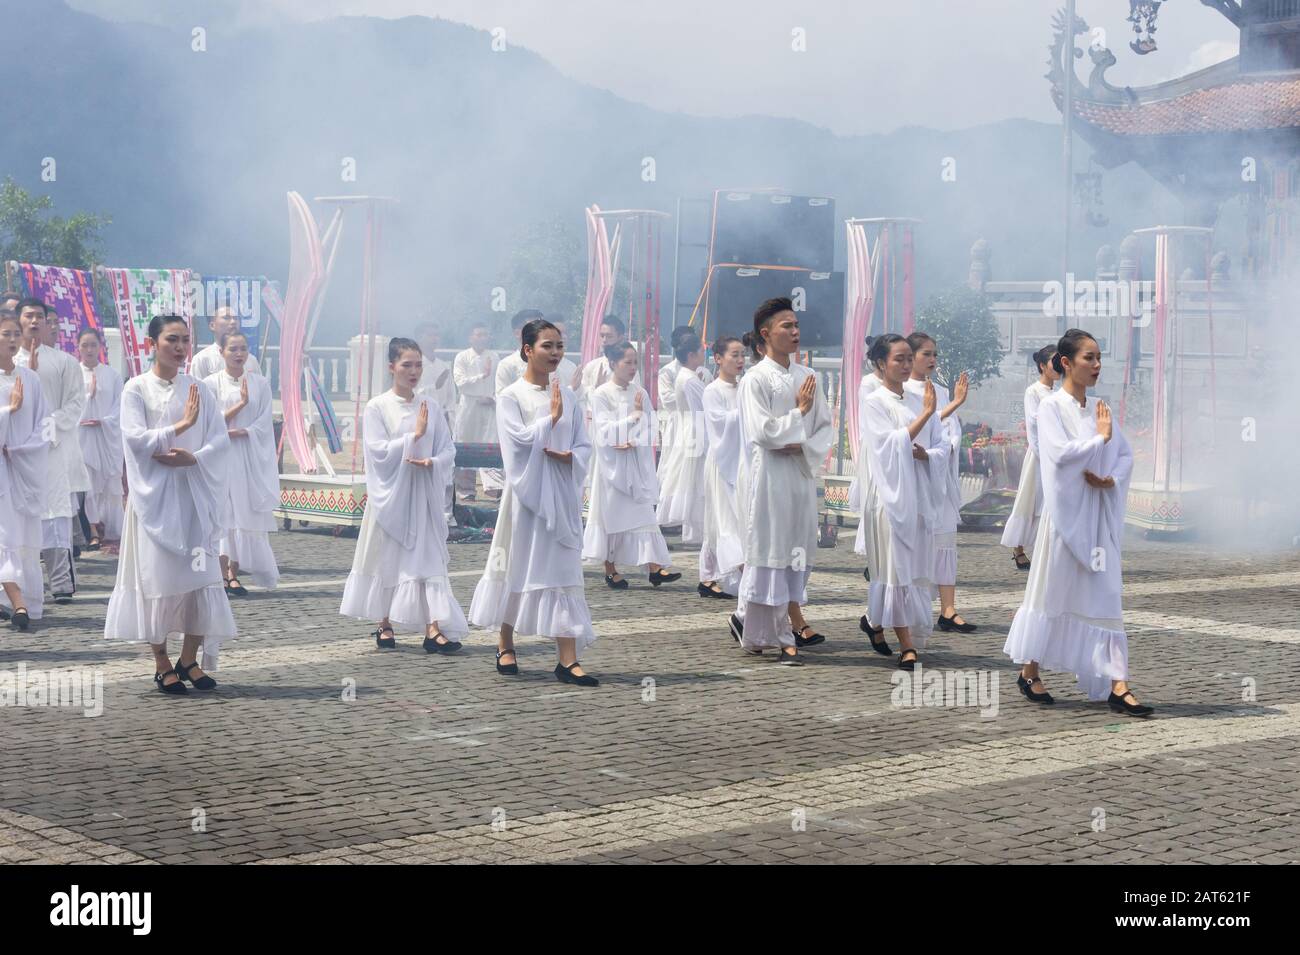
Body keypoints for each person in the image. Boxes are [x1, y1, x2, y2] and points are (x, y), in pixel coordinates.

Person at [1003, 329, 1150, 716]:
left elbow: (1125, 455)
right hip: (1065, 518)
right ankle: (1029, 669)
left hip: (1098, 516)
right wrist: (1097, 442)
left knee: (1107, 595)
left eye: (1099, 356)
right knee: (1053, 594)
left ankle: (1119, 683)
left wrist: (1111, 478)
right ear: (1066, 363)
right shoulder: (1051, 407)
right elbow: (1057, 456)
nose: (1097, 364)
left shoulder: (1101, 407)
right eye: (1089, 357)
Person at [104, 314, 233, 695]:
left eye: (184, 340)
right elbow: (136, 441)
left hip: (193, 496)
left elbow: (219, 440)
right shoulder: (136, 389)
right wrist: (178, 427)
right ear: (151, 344)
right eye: (171, 340)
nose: (180, 348)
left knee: (201, 578)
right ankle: (162, 661)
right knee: (156, 580)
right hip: (154, 502)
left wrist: (193, 458)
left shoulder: (198, 388)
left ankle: (189, 658)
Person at [469, 319, 598, 686]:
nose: (555, 353)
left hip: (561, 490)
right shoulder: (511, 396)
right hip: (526, 496)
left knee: (563, 569)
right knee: (518, 567)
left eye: (559, 346)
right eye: (547, 346)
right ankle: (505, 641)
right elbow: (517, 443)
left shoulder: (569, 395)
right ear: (527, 349)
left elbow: (584, 444)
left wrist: (569, 455)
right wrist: (549, 420)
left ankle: (567, 658)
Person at [341, 337, 467, 653]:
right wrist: (414, 436)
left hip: (422, 492)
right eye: (406, 365)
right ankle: (384, 623)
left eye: (418, 365)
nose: (413, 371)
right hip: (390, 496)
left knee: (427, 558)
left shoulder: (431, 405)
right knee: (387, 558)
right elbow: (377, 452)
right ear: (391, 367)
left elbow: (448, 448)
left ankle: (433, 627)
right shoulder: (377, 406)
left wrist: (432, 461)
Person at [731, 298, 833, 664]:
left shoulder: (809, 377)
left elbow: (824, 427)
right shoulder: (754, 380)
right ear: (765, 333)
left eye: (796, 325)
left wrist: (802, 443)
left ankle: (756, 626)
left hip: (799, 473)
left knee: (796, 548)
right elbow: (761, 431)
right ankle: (779, 633)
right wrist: (798, 415)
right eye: (786, 326)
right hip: (769, 475)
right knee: (770, 549)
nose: (794, 332)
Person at [862, 334, 940, 670]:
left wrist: (930, 454)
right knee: (894, 568)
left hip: (918, 492)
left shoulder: (915, 399)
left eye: (910, 358)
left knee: (913, 566)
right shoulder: (875, 401)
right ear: (881, 364)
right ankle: (906, 644)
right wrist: (925, 415)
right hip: (890, 497)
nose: (907, 365)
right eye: (899, 359)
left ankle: (875, 621)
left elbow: (939, 443)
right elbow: (887, 445)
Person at [583, 340, 681, 589]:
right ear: (613, 363)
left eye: (635, 362)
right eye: (627, 362)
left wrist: (634, 440)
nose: (632, 367)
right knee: (610, 516)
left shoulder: (640, 391)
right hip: (610, 466)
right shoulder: (601, 394)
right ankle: (610, 568)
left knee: (644, 514)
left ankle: (654, 567)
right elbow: (602, 431)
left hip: (634, 462)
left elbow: (651, 426)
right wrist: (631, 419)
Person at [15, 298, 88, 604]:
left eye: (39, 317)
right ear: (18, 322)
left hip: (52, 452)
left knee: (55, 515)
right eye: (28, 316)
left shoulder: (64, 362)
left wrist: (46, 428)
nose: (34, 322)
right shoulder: (9, 363)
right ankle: (17, 587)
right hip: (16, 453)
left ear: (47, 323)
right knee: (17, 518)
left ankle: (60, 584)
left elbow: (75, 403)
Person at [904, 332, 973, 633]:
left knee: (945, 542)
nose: (932, 360)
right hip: (912, 477)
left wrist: (934, 452)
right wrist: (953, 405)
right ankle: (907, 608)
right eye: (926, 354)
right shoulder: (901, 389)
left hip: (938, 474)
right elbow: (916, 426)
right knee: (915, 545)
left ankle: (948, 609)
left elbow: (948, 431)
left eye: (935, 354)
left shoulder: (941, 391)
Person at [205, 331, 280, 595]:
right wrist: (241, 404)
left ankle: (233, 574)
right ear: (221, 352)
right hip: (221, 457)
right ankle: (218, 574)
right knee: (223, 512)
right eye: (233, 349)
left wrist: (244, 432)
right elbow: (210, 421)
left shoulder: (260, 383)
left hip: (247, 456)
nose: (239, 354)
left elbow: (263, 422)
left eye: (243, 349)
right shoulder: (210, 384)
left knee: (243, 511)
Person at [0, 312, 48, 631]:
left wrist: (21, 450)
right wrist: (9, 410)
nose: (14, 339)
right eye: (7, 333)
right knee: (4, 535)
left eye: (16, 333)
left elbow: (45, 423)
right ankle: (16, 602)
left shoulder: (30, 379)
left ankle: (23, 600)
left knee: (25, 537)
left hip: (24, 467)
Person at [1001, 345, 1059, 569]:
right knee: (1029, 500)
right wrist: (1042, 453)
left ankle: (1049, 548)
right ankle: (1018, 549)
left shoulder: (1058, 393)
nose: (1058, 366)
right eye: (1053, 361)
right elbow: (1033, 423)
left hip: (1056, 455)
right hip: (1039, 455)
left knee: (1050, 502)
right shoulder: (1033, 391)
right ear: (1043, 366)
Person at [699, 336, 746, 600]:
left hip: (742, 462)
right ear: (718, 358)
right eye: (734, 355)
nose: (740, 360)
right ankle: (735, 572)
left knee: (733, 520)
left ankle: (709, 575)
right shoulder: (712, 390)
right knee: (722, 520)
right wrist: (747, 413)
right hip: (722, 462)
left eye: (743, 355)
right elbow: (717, 424)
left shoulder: (745, 388)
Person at [656, 332, 709, 545]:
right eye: (700, 350)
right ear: (691, 354)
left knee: (691, 478)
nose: (703, 353)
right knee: (694, 479)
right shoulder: (689, 379)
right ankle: (696, 524)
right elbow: (703, 410)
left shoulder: (690, 376)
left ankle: (696, 527)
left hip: (690, 428)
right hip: (695, 429)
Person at [76, 328, 124, 548]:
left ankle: (112, 526)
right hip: (83, 435)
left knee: (110, 481)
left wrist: (104, 420)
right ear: (78, 347)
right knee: (89, 483)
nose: (89, 350)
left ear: (100, 347)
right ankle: (93, 528)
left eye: (93, 345)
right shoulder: (73, 374)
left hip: (107, 435)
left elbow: (119, 406)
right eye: (84, 345)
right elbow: (70, 406)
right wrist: (89, 396)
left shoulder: (112, 375)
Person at [656, 325, 714, 482]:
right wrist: (689, 393)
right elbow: (667, 400)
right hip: (677, 422)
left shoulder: (704, 372)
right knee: (674, 467)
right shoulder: (667, 372)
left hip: (698, 425)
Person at [452, 321, 501, 500]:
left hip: (488, 406)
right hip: (469, 408)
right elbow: (460, 382)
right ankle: (466, 491)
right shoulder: (462, 357)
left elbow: (499, 383)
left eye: (485, 334)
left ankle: (494, 489)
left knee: (491, 444)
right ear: (470, 337)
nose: (482, 338)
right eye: (478, 334)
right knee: (465, 443)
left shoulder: (494, 356)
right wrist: (482, 376)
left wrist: (493, 399)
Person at [191, 305, 261, 380]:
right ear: (212, 325)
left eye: (236, 318)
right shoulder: (202, 359)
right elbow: (196, 389)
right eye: (226, 318)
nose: (233, 322)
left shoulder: (251, 360)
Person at [580, 315, 640, 395]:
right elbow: (581, 398)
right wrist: (596, 389)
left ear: (620, 338)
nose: (604, 340)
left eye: (609, 336)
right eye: (602, 336)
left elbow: (634, 395)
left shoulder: (629, 368)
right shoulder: (591, 367)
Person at [415, 322, 457, 431]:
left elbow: (451, 398)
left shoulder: (443, 366)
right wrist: (435, 387)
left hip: (441, 422)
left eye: (436, 335)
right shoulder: (413, 365)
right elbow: (411, 395)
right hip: (419, 419)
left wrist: (449, 419)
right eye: (430, 335)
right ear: (420, 337)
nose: (434, 339)